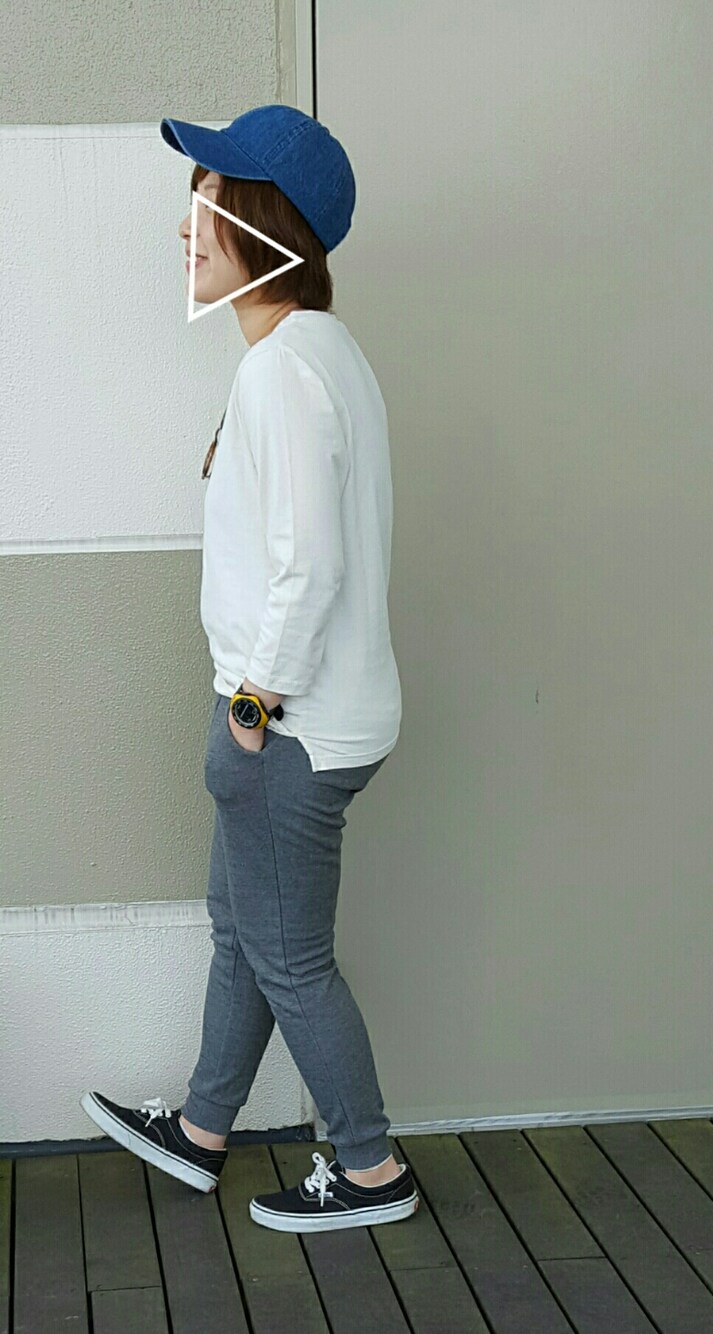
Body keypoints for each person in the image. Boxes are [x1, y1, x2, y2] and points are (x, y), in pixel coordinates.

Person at [81, 104, 416, 1234]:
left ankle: (370, 1167)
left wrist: (251, 708)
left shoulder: (284, 372)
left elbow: (308, 567)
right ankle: (204, 1128)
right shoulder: (315, 353)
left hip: (293, 726)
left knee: (288, 957)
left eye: (212, 202)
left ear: (273, 226)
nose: (189, 226)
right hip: (308, 715)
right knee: (245, 931)